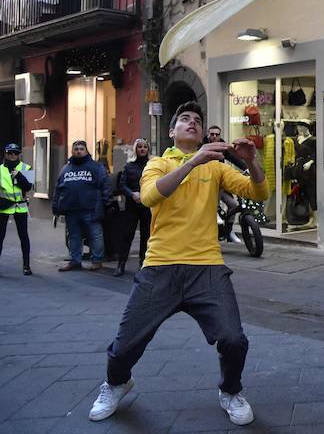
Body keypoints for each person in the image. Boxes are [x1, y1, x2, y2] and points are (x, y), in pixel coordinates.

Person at [89, 102, 268, 425]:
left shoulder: (215, 167)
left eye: (197, 120)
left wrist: (252, 163)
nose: (192, 123)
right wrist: (193, 162)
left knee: (233, 339)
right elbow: (149, 197)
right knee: (125, 344)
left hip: (207, 267)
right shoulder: (158, 163)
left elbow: (258, 191)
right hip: (160, 265)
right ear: (171, 131)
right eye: (184, 119)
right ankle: (117, 383)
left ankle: (230, 391)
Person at [53, 140, 111, 271]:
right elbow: (58, 188)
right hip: (71, 209)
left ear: (86, 151)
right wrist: (56, 206)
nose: (79, 151)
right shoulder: (66, 168)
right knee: (73, 236)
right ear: (72, 151)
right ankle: (75, 261)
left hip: (91, 208)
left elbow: (105, 186)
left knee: (95, 235)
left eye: (81, 149)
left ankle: (97, 260)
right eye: (76, 149)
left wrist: (107, 203)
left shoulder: (96, 167)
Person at [113, 139, 152, 277]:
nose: (142, 149)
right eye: (139, 147)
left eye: (145, 147)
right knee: (127, 235)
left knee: (146, 236)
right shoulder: (129, 166)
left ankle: (143, 263)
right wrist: (132, 194)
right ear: (135, 149)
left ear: (148, 149)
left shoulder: (152, 165)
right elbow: (122, 185)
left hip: (148, 205)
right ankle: (121, 264)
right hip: (132, 206)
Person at [207, 125, 247, 242]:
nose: (214, 136)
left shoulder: (223, 147)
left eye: (217, 134)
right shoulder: (202, 147)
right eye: (212, 134)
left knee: (234, 205)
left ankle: (229, 232)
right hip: (207, 184)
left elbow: (234, 159)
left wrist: (247, 169)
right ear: (208, 135)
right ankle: (214, 214)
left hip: (221, 184)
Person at [0, 143, 32, 275]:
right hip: (4, 207)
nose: (12, 155)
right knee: (0, 237)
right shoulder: (0, 169)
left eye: (15, 153)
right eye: (10, 153)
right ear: (5, 154)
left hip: (20, 206)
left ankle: (26, 266)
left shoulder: (26, 168)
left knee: (23, 236)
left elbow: (29, 187)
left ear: (19, 154)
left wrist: (19, 176)